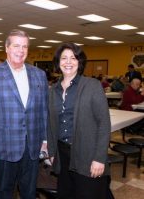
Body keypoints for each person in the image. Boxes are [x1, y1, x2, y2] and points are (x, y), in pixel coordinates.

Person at [0, 29, 49, 199]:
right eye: (16, 45)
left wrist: (45, 140)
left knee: (30, 191)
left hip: (32, 146)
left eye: (24, 46)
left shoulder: (39, 75)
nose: (21, 50)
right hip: (4, 146)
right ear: (7, 48)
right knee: (5, 191)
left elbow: (44, 111)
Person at [47, 42, 111, 199]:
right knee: (66, 194)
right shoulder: (53, 90)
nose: (68, 62)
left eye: (73, 58)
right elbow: (51, 124)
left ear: (79, 62)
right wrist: (52, 151)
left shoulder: (92, 85)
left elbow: (104, 124)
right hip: (62, 154)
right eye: (64, 58)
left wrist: (99, 158)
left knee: (87, 193)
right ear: (58, 62)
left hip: (87, 154)